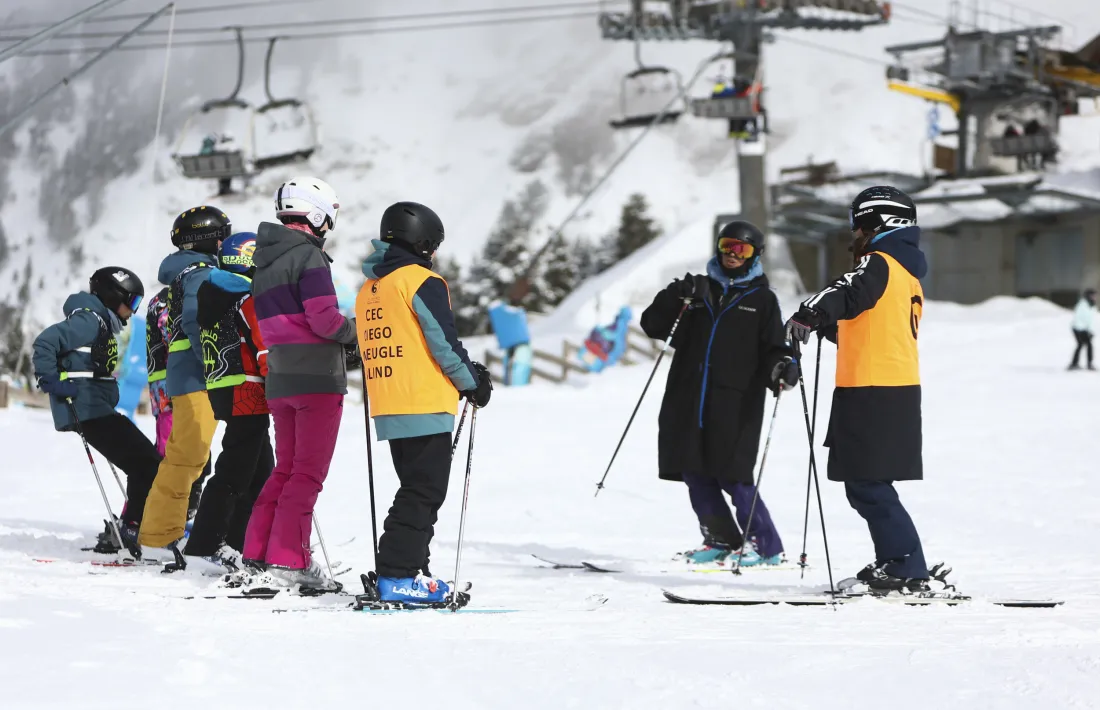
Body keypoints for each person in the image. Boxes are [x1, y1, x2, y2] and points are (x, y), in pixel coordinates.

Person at [785, 185, 933, 592]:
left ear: (881, 224)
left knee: (868, 483)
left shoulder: (879, 263)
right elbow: (870, 325)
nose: (855, 235)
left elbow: (845, 289)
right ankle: (897, 562)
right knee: (865, 482)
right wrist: (829, 327)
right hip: (885, 388)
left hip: (875, 390)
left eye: (860, 226)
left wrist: (809, 314)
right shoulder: (904, 273)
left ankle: (905, 566)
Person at [640, 221, 797, 568]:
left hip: (735, 402)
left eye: (741, 249)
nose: (732, 255)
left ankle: (766, 546)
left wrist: (783, 365)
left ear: (755, 254)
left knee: (733, 474)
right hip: (688, 397)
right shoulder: (696, 293)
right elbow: (653, 325)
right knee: (694, 471)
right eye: (727, 246)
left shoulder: (762, 301)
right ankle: (721, 539)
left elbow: (774, 347)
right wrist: (673, 297)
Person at [357, 201, 492, 604]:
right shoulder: (420, 280)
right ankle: (397, 575)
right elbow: (442, 340)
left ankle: (413, 568)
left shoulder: (371, 288)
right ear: (424, 244)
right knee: (423, 492)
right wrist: (473, 383)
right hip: (423, 399)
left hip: (389, 400)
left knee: (416, 486)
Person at [241, 176, 358, 591]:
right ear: (317, 215)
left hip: (281, 379)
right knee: (306, 475)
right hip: (316, 379)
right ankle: (290, 562)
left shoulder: (265, 263)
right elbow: (324, 321)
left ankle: (257, 553)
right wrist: (354, 332)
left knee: (285, 471)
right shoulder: (308, 260)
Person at [139, 207, 250, 557]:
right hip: (198, 376)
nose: (224, 243)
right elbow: (195, 321)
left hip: (193, 375)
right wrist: (215, 364)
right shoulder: (200, 273)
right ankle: (158, 537)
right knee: (187, 458)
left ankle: (166, 533)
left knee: (194, 457)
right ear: (207, 239)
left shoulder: (189, 272)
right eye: (222, 236)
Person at [31, 267, 157, 559]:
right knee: (146, 463)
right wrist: (51, 381)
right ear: (114, 297)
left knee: (145, 462)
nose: (132, 310)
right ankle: (129, 530)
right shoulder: (89, 320)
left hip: (96, 408)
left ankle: (130, 528)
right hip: (87, 409)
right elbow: (45, 342)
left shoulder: (99, 322)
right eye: (132, 302)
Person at [172, 232, 274, 571]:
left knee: (260, 470)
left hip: (222, 385)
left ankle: (240, 543)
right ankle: (205, 546)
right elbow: (263, 346)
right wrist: (278, 381)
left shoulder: (212, 292)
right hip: (250, 388)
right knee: (235, 472)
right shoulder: (246, 298)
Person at [145, 287, 210, 524]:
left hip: (182, 384)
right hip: (170, 388)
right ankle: (159, 520)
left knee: (196, 455)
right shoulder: (168, 299)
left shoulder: (181, 295)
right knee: (172, 454)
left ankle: (182, 517)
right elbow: (173, 332)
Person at [1069, 288, 1096, 370]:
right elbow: (1078, 318)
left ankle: (1076, 363)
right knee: (1084, 344)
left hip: (1084, 329)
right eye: (1093, 295)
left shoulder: (1091, 305)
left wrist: (1090, 330)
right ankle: (1079, 364)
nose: (1095, 297)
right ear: (1088, 296)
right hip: (1078, 328)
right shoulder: (1082, 305)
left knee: (1084, 345)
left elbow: (1090, 319)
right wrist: (1084, 331)